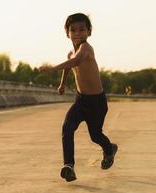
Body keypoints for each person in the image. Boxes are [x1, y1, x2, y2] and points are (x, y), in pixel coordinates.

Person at [39, 13, 118, 182]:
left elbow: (76, 62)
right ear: (67, 33)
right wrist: (62, 84)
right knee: (67, 128)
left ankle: (109, 148)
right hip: (81, 100)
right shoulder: (71, 53)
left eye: (82, 29)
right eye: (73, 30)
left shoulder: (86, 49)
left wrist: (52, 68)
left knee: (95, 135)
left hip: (97, 102)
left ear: (89, 31)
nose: (77, 33)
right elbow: (70, 66)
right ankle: (69, 166)